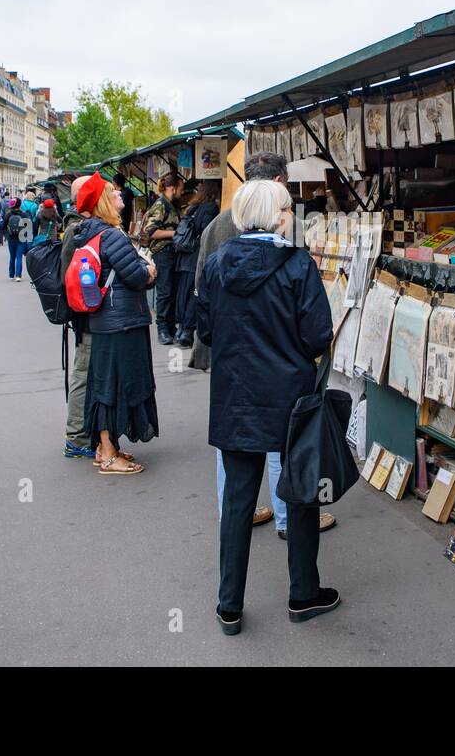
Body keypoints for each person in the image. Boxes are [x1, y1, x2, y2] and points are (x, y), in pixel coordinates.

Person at [198, 178, 339, 635]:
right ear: (278, 215)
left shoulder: (218, 265)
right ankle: (303, 594)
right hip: (291, 399)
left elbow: (204, 328)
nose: (291, 215)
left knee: (238, 502)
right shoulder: (298, 265)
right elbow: (319, 334)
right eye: (288, 208)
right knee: (300, 495)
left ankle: (229, 607)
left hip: (236, 398)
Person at [79, 173, 158, 475]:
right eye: (114, 193)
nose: (121, 196)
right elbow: (137, 276)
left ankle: (104, 447)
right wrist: (150, 270)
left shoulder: (90, 232)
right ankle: (109, 454)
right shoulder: (111, 235)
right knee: (114, 385)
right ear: (104, 201)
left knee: (105, 383)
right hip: (121, 322)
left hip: (106, 321)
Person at [60, 176, 97, 459]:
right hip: (85, 315)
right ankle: (77, 437)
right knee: (84, 373)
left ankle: (83, 433)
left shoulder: (74, 228)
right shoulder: (78, 231)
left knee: (86, 371)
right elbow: (72, 278)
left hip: (83, 314)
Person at [172, 180, 220, 348]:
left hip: (185, 256)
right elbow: (207, 230)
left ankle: (181, 330)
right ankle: (187, 332)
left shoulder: (192, 206)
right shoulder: (211, 208)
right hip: (196, 255)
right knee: (195, 293)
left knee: (184, 293)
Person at [141, 173, 185, 345]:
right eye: (180, 189)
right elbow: (150, 231)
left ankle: (170, 327)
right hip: (163, 252)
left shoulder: (171, 205)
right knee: (165, 291)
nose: (182, 192)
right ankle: (162, 329)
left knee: (172, 291)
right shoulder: (161, 205)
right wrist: (175, 234)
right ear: (172, 188)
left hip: (172, 252)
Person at [4, 198, 33, 282]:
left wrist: (7, 234)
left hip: (11, 238)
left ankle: (11, 274)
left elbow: (3, 226)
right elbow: (29, 228)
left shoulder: (8, 214)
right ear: (20, 205)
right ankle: (18, 276)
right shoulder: (24, 215)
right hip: (22, 238)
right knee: (19, 257)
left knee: (12, 256)